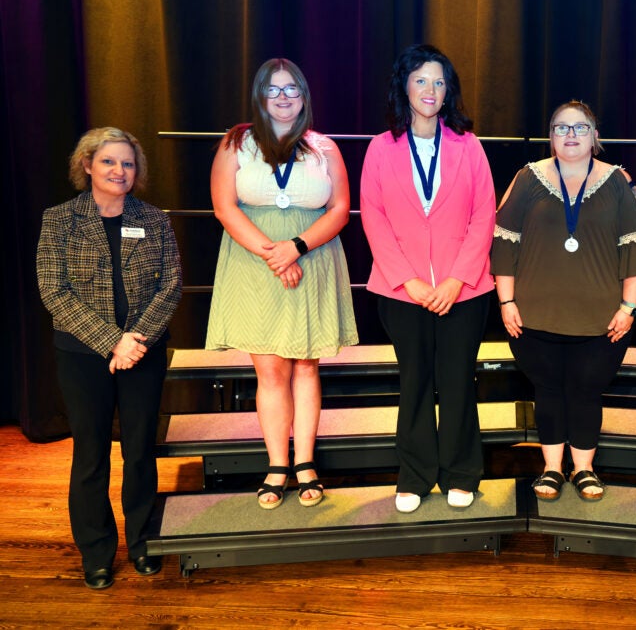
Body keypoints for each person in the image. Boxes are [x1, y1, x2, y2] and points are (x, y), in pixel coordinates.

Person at [206, 58, 358, 510]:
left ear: (304, 96)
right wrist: (275, 253)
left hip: (311, 258)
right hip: (255, 265)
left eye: (292, 89)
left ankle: (306, 463)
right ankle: (276, 465)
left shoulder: (324, 147)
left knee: (307, 367)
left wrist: (296, 246)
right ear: (260, 96)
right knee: (270, 371)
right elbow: (224, 207)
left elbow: (340, 208)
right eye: (274, 90)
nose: (284, 97)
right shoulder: (237, 142)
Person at [37, 127, 182, 589]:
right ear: (87, 165)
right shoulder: (59, 219)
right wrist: (111, 341)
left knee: (140, 451)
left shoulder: (154, 219)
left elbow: (171, 284)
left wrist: (135, 339)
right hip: (82, 356)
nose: (120, 171)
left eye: (128, 164)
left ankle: (143, 543)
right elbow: (54, 292)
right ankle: (97, 552)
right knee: (91, 454)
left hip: (143, 352)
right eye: (109, 162)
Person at [491, 100, 636, 502]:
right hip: (533, 315)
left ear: (595, 136)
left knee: (585, 391)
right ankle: (550, 470)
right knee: (547, 390)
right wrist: (506, 302)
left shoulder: (618, 181)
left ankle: (583, 470)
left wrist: (629, 307)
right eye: (561, 127)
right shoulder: (527, 178)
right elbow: (503, 242)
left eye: (579, 127)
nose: (570, 135)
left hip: (601, 320)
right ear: (550, 135)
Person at [360, 44, 495, 513]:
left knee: (457, 380)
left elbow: (484, 217)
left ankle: (462, 473)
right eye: (421, 80)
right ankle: (415, 474)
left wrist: (457, 280)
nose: (430, 90)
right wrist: (409, 282)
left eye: (439, 81)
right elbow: (373, 219)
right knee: (415, 380)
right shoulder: (380, 148)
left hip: (465, 292)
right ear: (404, 86)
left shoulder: (469, 145)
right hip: (402, 293)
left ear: (448, 90)